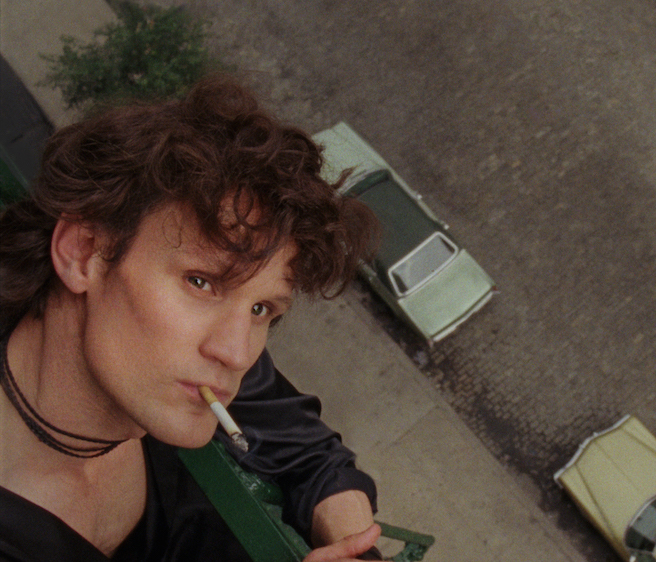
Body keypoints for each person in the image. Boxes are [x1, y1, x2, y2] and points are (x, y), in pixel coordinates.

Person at [0, 76, 384, 561]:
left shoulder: (189, 366)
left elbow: (310, 453)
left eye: (262, 309)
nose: (238, 353)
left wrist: (352, 542)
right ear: (83, 252)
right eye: (201, 282)